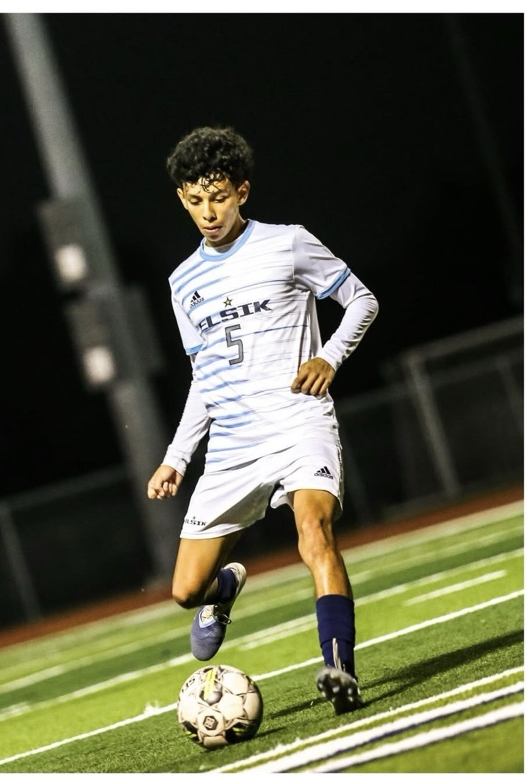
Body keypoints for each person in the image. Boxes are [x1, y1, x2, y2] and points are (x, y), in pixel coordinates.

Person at [146, 125, 379, 715]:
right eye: (195, 200)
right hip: (232, 444)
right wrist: (177, 457)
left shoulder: (288, 243)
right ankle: (224, 588)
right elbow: (203, 377)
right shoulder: (182, 283)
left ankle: (340, 671)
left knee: (315, 533)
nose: (208, 212)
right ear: (181, 199)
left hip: (300, 421)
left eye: (219, 197)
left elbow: (362, 300)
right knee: (185, 590)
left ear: (242, 191)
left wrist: (329, 357)